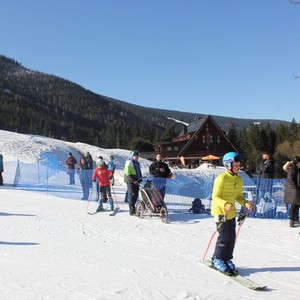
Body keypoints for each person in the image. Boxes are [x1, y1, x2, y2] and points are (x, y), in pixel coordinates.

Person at [211, 152, 252, 274]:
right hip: (220, 212)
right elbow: (215, 197)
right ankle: (217, 258)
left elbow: (239, 196)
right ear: (227, 165)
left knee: (232, 238)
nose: (238, 167)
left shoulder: (239, 179)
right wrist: (225, 204)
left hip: (231, 213)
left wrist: (245, 203)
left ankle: (226, 258)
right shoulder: (221, 179)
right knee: (224, 237)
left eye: (239, 165)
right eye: (236, 165)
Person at [124, 151, 142, 215]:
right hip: (131, 182)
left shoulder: (137, 163)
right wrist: (133, 180)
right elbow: (128, 173)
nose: (137, 157)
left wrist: (140, 178)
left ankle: (134, 208)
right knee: (132, 195)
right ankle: (132, 211)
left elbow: (138, 171)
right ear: (133, 156)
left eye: (137, 156)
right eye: (135, 156)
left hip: (136, 181)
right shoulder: (129, 162)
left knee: (136, 195)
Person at [283, 156, 300, 228]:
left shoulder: (296, 168)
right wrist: (295, 187)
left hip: (296, 189)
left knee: (297, 204)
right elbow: (291, 179)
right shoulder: (292, 169)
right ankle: (292, 220)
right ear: (297, 163)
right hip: (294, 190)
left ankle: (296, 219)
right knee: (294, 205)